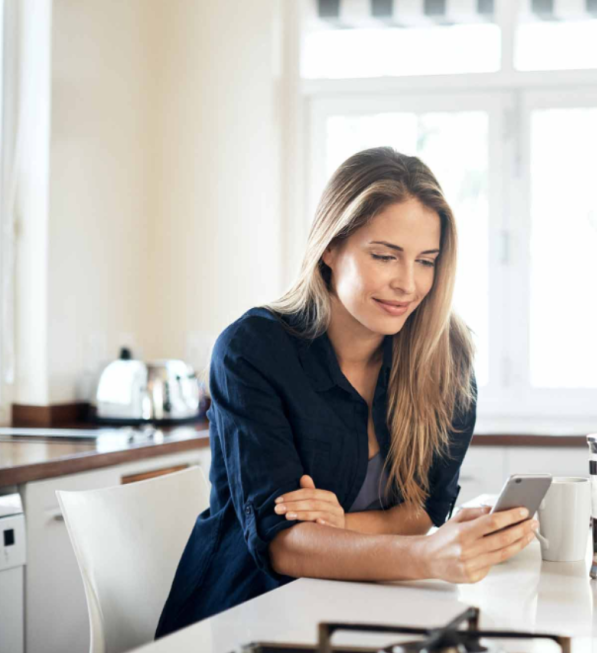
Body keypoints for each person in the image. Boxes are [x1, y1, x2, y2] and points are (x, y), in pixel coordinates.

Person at [155, 147, 538, 639]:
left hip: (368, 609)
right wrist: (425, 553)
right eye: (384, 256)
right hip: (244, 615)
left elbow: (422, 512)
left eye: (426, 261)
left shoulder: (447, 362)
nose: (408, 283)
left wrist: (341, 527)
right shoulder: (251, 351)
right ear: (330, 248)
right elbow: (284, 547)